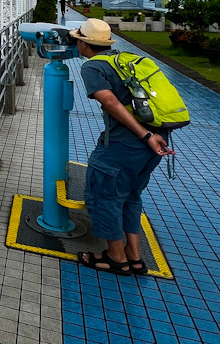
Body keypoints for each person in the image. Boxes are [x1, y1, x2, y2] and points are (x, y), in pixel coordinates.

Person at [69, 18, 173, 276]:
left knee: (104, 196)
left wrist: (145, 135)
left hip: (127, 145)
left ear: (84, 44)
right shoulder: (123, 59)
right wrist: (152, 136)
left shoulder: (93, 67)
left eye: (77, 40)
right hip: (157, 141)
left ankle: (116, 259)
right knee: (130, 196)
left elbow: (110, 103)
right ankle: (134, 257)